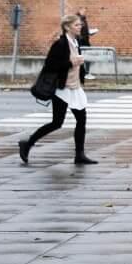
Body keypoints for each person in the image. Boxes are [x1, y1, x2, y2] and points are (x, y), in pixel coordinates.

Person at [20, 14, 95, 166]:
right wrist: (70, 63)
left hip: (75, 87)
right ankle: (28, 143)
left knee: (81, 120)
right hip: (62, 89)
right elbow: (50, 65)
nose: (80, 27)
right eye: (76, 25)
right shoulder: (60, 44)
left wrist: (81, 72)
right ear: (67, 27)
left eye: (80, 25)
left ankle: (79, 154)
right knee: (56, 122)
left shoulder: (76, 41)